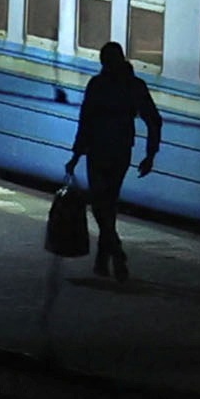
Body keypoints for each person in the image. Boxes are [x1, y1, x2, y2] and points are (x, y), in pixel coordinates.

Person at [70, 39, 161, 281]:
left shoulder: (98, 85)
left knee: (100, 206)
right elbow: (154, 120)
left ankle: (117, 252)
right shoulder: (134, 85)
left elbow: (85, 121)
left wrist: (76, 155)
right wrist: (150, 154)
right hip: (121, 150)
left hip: (98, 151)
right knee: (108, 204)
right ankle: (103, 261)